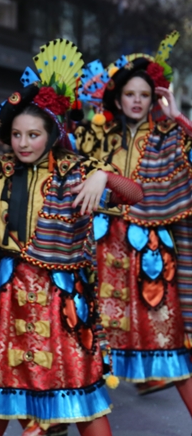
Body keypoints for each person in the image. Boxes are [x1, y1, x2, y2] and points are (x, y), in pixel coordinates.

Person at [0, 40, 144, 436]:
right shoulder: (3, 168)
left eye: (34, 135)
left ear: (53, 134)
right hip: (5, 295)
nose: (24, 143)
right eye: (18, 134)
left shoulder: (77, 169)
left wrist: (104, 175)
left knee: (81, 390)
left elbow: (135, 194)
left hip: (62, 296)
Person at [74, 32, 192, 410]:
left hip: (153, 250)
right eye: (130, 94)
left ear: (155, 97)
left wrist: (179, 118)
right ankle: (54, 418)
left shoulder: (169, 133)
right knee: (88, 335)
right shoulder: (95, 134)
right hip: (103, 248)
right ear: (117, 97)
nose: (137, 101)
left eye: (145, 94)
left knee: (166, 336)